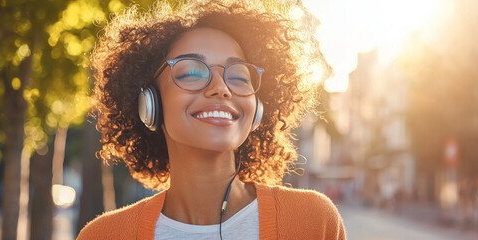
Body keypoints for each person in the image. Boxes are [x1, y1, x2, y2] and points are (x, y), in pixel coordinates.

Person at [77, 0, 346, 239]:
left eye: (239, 75)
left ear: (257, 109)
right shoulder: (104, 235)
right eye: (192, 72)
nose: (221, 87)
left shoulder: (312, 221)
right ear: (150, 102)